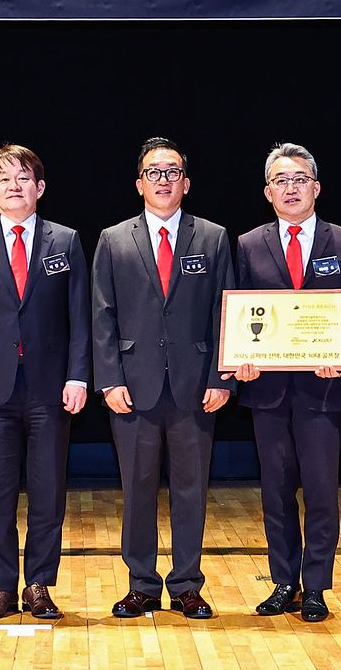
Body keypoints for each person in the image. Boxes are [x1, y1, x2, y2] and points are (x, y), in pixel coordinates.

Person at [0, 144, 91, 621]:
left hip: (50, 388)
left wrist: (78, 375)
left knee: (48, 493)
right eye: (4, 179)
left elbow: (79, 317)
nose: (14, 186)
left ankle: (40, 586)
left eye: (23, 178)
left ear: (40, 187)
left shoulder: (65, 240)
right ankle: (1, 588)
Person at [92, 137, 234, 620]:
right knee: (137, 488)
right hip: (134, 385)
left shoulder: (213, 238)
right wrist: (109, 381)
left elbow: (223, 313)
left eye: (172, 171)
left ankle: (188, 584)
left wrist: (222, 376)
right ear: (139, 183)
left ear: (186, 182)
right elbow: (102, 315)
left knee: (191, 488)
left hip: (197, 386)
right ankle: (142, 584)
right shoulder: (113, 239)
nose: (163, 180)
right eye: (154, 172)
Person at [231, 143, 341, 624]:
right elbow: (237, 312)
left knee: (322, 492)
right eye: (282, 181)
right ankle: (283, 581)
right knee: (275, 490)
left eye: (300, 179)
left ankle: (316, 588)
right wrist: (240, 360)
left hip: (325, 391)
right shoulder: (248, 244)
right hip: (267, 390)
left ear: (317, 187)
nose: (292, 188)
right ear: (268, 192)